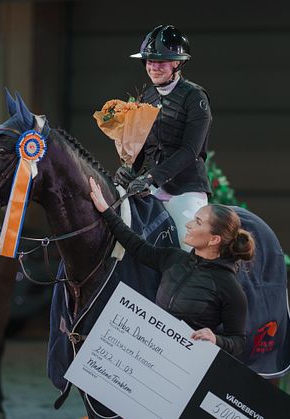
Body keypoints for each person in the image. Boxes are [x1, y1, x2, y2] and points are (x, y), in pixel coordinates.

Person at [89, 176, 253, 356]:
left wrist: (216, 339)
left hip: (183, 367)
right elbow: (136, 246)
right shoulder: (174, 258)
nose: (189, 224)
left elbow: (238, 342)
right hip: (151, 354)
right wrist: (106, 211)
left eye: (197, 222)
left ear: (214, 239)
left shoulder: (230, 287)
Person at [117, 24, 213, 251]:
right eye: (149, 61)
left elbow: (190, 150)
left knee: (190, 248)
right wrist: (129, 170)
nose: (153, 67)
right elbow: (143, 144)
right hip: (150, 189)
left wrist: (151, 178)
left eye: (160, 62)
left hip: (185, 190)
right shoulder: (147, 96)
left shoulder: (195, 97)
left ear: (177, 63)